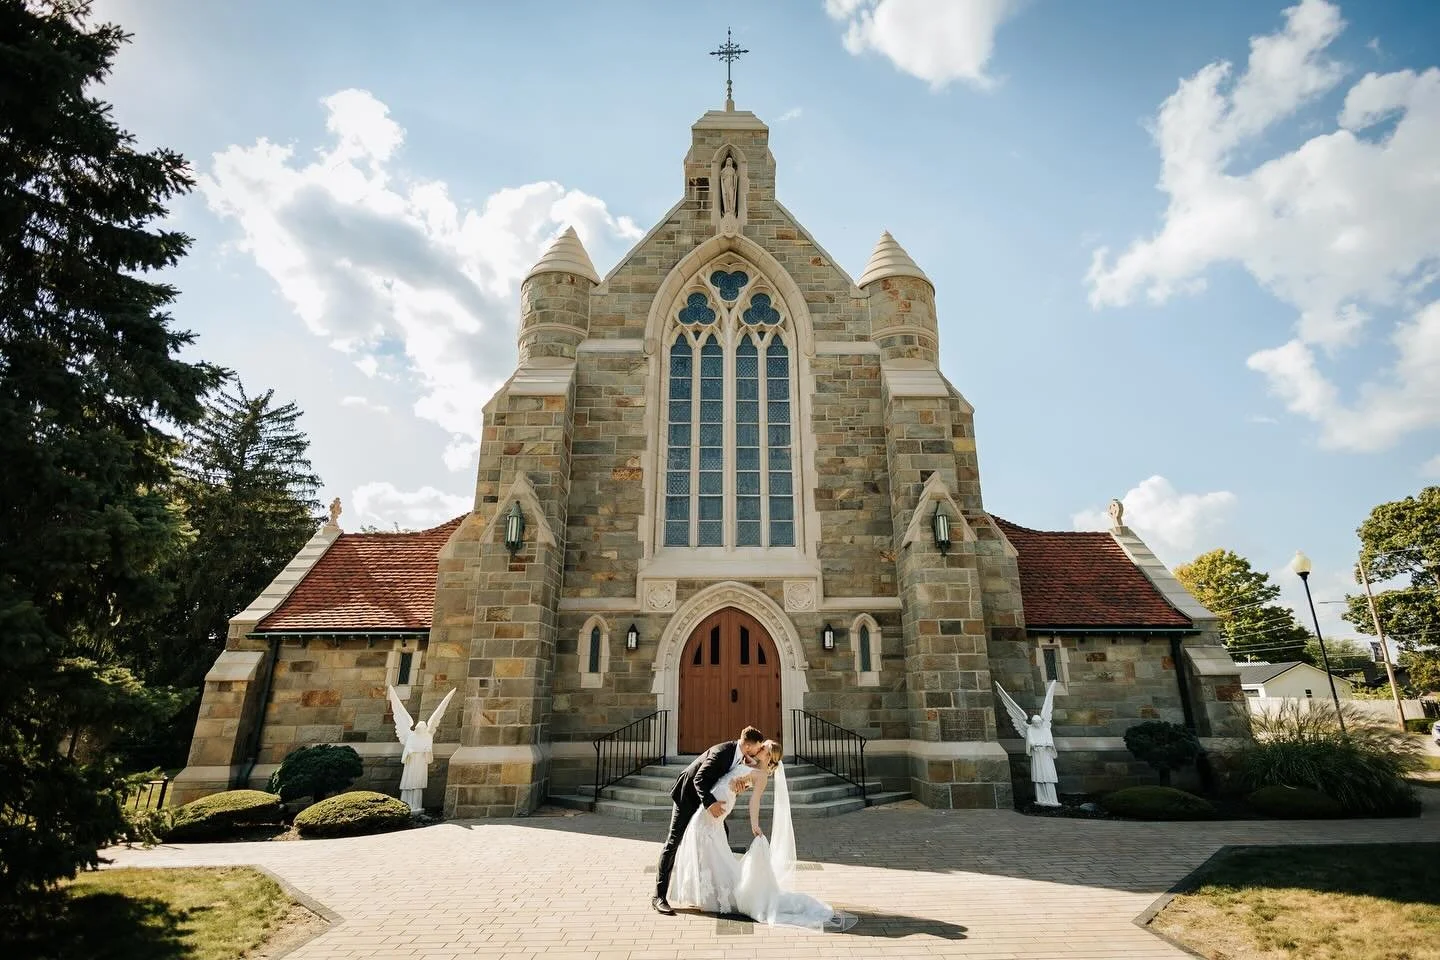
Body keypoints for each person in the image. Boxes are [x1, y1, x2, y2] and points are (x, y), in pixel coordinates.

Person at [665, 740, 850, 931]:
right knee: (710, 854)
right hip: (712, 809)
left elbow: (754, 801)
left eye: (763, 748)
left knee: (710, 852)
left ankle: (714, 896)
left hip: (717, 812)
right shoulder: (748, 761)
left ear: (768, 757)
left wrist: (755, 824)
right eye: (761, 745)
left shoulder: (761, 776)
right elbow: (733, 773)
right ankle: (704, 895)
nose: (759, 748)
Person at [652, 726, 766, 915]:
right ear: (748, 745)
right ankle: (659, 897)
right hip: (688, 797)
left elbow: (728, 779)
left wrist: (740, 785)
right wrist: (710, 804)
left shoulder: (741, 756)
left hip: (705, 801)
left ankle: (713, 891)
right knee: (673, 842)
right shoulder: (722, 752)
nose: (758, 750)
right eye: (757, 747)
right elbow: (699, 779)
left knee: (722, 836)